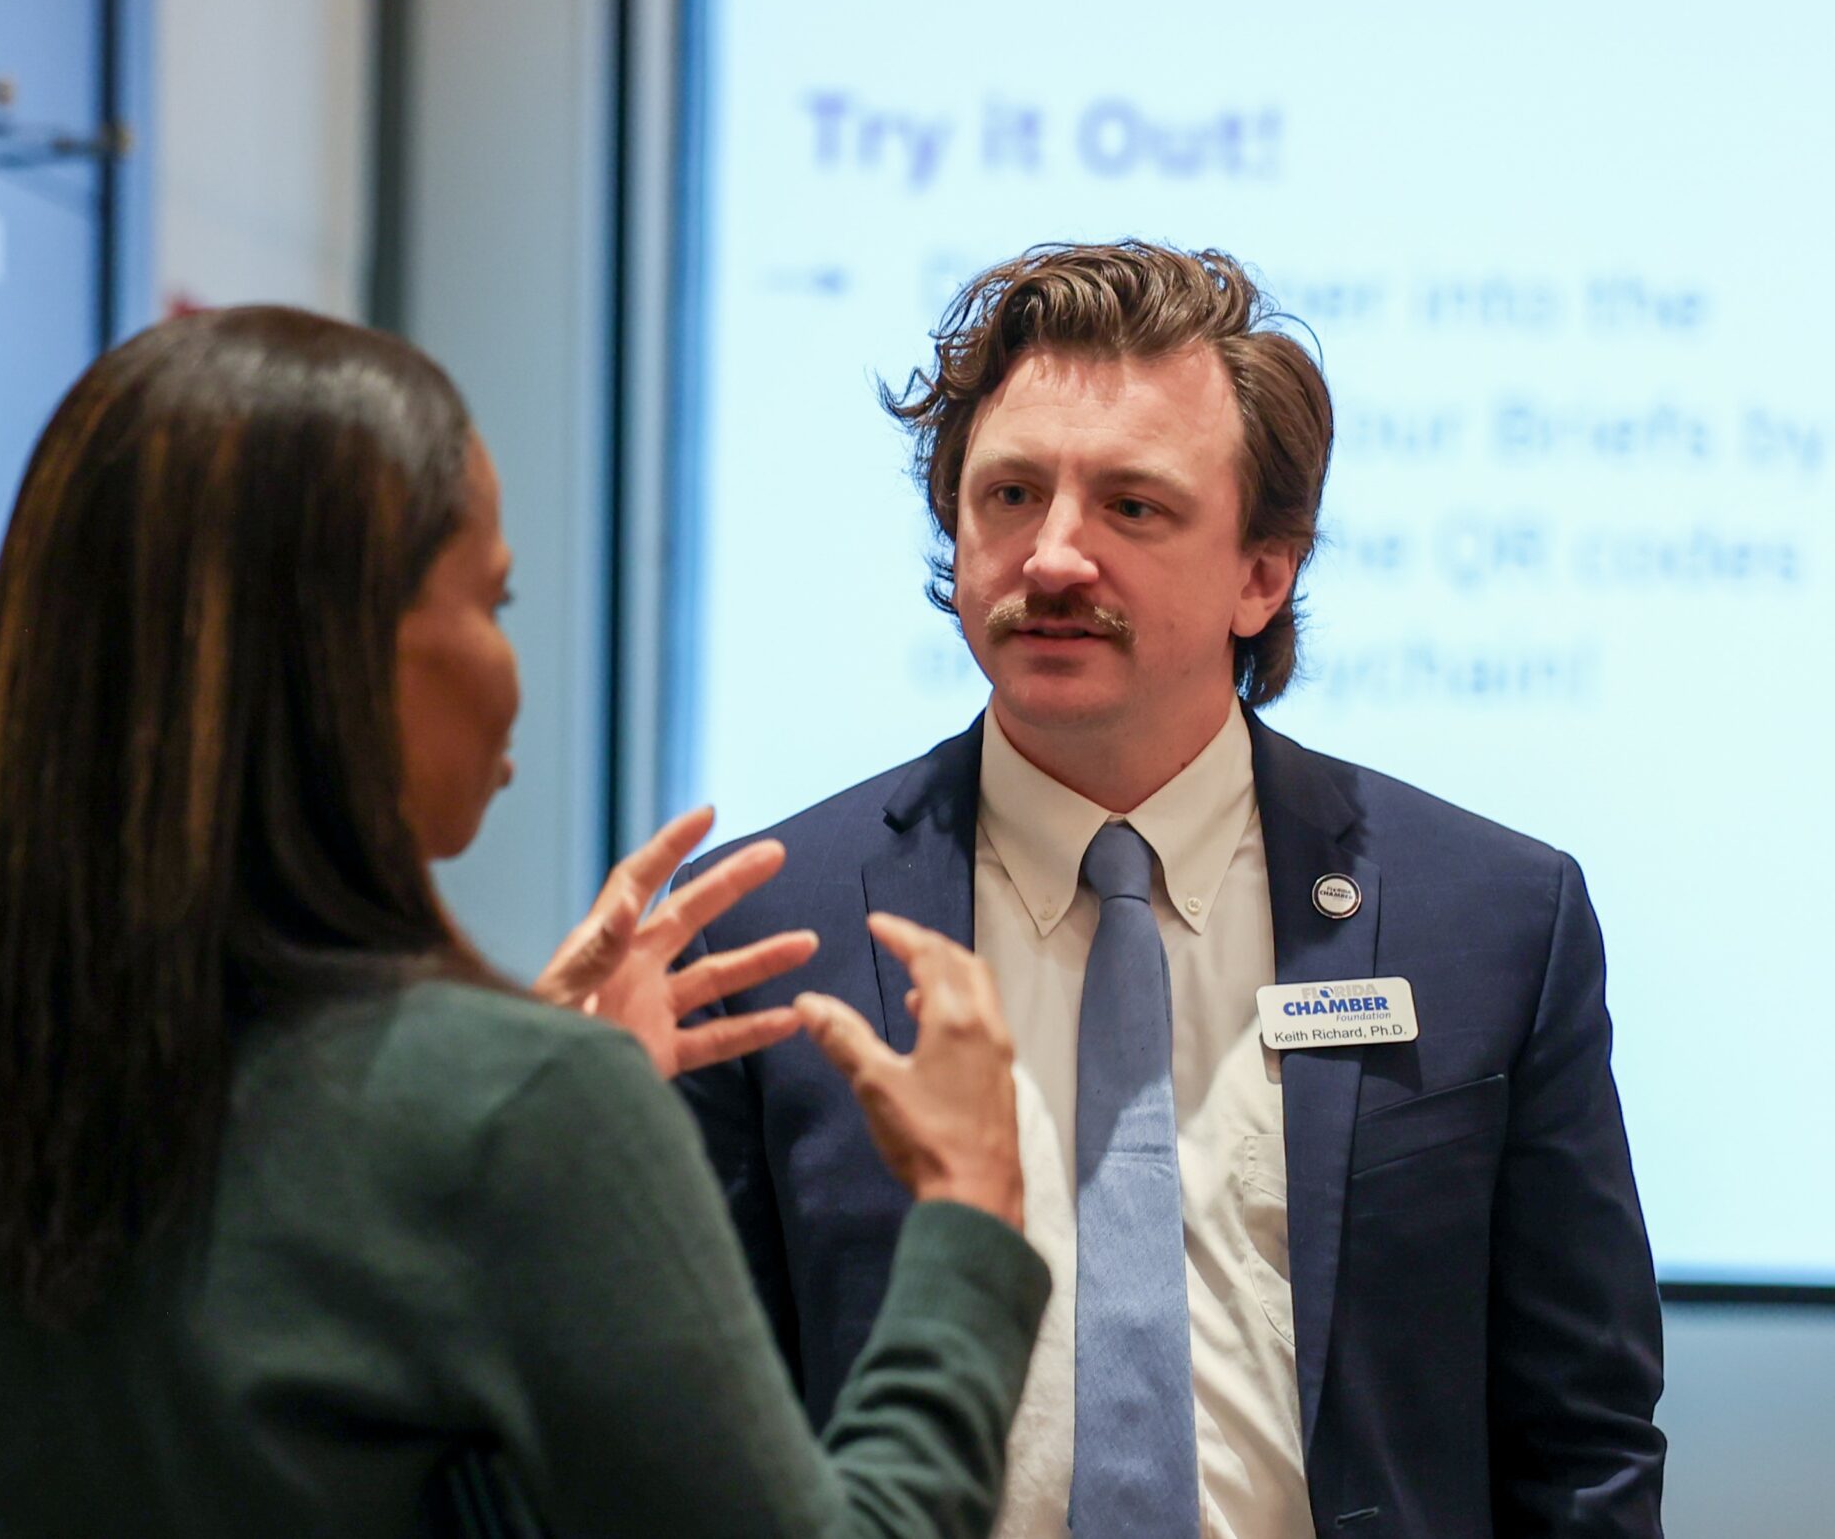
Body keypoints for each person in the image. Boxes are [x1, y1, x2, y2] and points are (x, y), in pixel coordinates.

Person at [0, 305, 1048, 1537]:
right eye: (496, 599)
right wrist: (964, 1217)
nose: (508, 668)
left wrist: (555, 1112)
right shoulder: (521, 1116)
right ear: (334, 658)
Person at [674, 242, 1665, 1539]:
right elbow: (695, 1441)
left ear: (1266, 570)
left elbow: (1583, 1437)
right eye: (1011, 494)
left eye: (1133, 506)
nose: (1056, 556)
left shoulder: (1490, 918)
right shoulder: (767, 923)